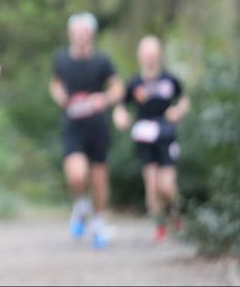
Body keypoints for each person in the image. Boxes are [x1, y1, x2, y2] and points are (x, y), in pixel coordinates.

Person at [49, 13, 124, 248]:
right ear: (71, 34)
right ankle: (81, 205)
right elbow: (55, 83)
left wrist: (105, 98)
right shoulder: (61, 59)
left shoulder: (102, 61)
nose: (81, 37)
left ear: (91, 35)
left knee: (99, 178)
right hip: (73, 127)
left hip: (97, 127)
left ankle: (99, 223)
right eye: (77, 32)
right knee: (76, 175)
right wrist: (60, 96)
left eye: (85, 33)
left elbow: (117, 87)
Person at [113, 36, 190, 241]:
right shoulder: (134, 83)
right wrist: (120, 117)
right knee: (152, 182)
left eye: (153, 53)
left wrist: (177, 111)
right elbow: (121, 106)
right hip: (144, 137)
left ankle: (175, 215)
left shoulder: (170, 79)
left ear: (159, 55)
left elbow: (184, 100)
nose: (150, 57)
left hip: (166, 135)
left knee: (167, 186)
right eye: (146, 53)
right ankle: (159, 225)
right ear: (140, 56)